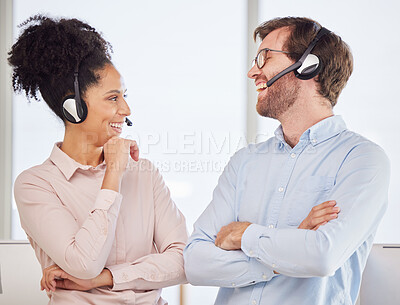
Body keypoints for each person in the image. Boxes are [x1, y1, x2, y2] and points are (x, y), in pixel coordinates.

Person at [184, 16, 390, 305]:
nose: (252, 72)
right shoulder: (245, 162)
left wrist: (243, 235)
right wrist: (286, 250)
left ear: (309, 67)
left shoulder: (361, 159)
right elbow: (195, 261)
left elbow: (321, 255)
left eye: (264, 58)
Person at [9, 15, 187, 305]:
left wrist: (107, 277)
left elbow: (185, 260)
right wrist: (113, 173)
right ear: (74, 107)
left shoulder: (144, 173)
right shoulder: (35, 184)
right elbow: (85, 263)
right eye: (113, 98)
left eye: (124, 96)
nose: (127, 109)